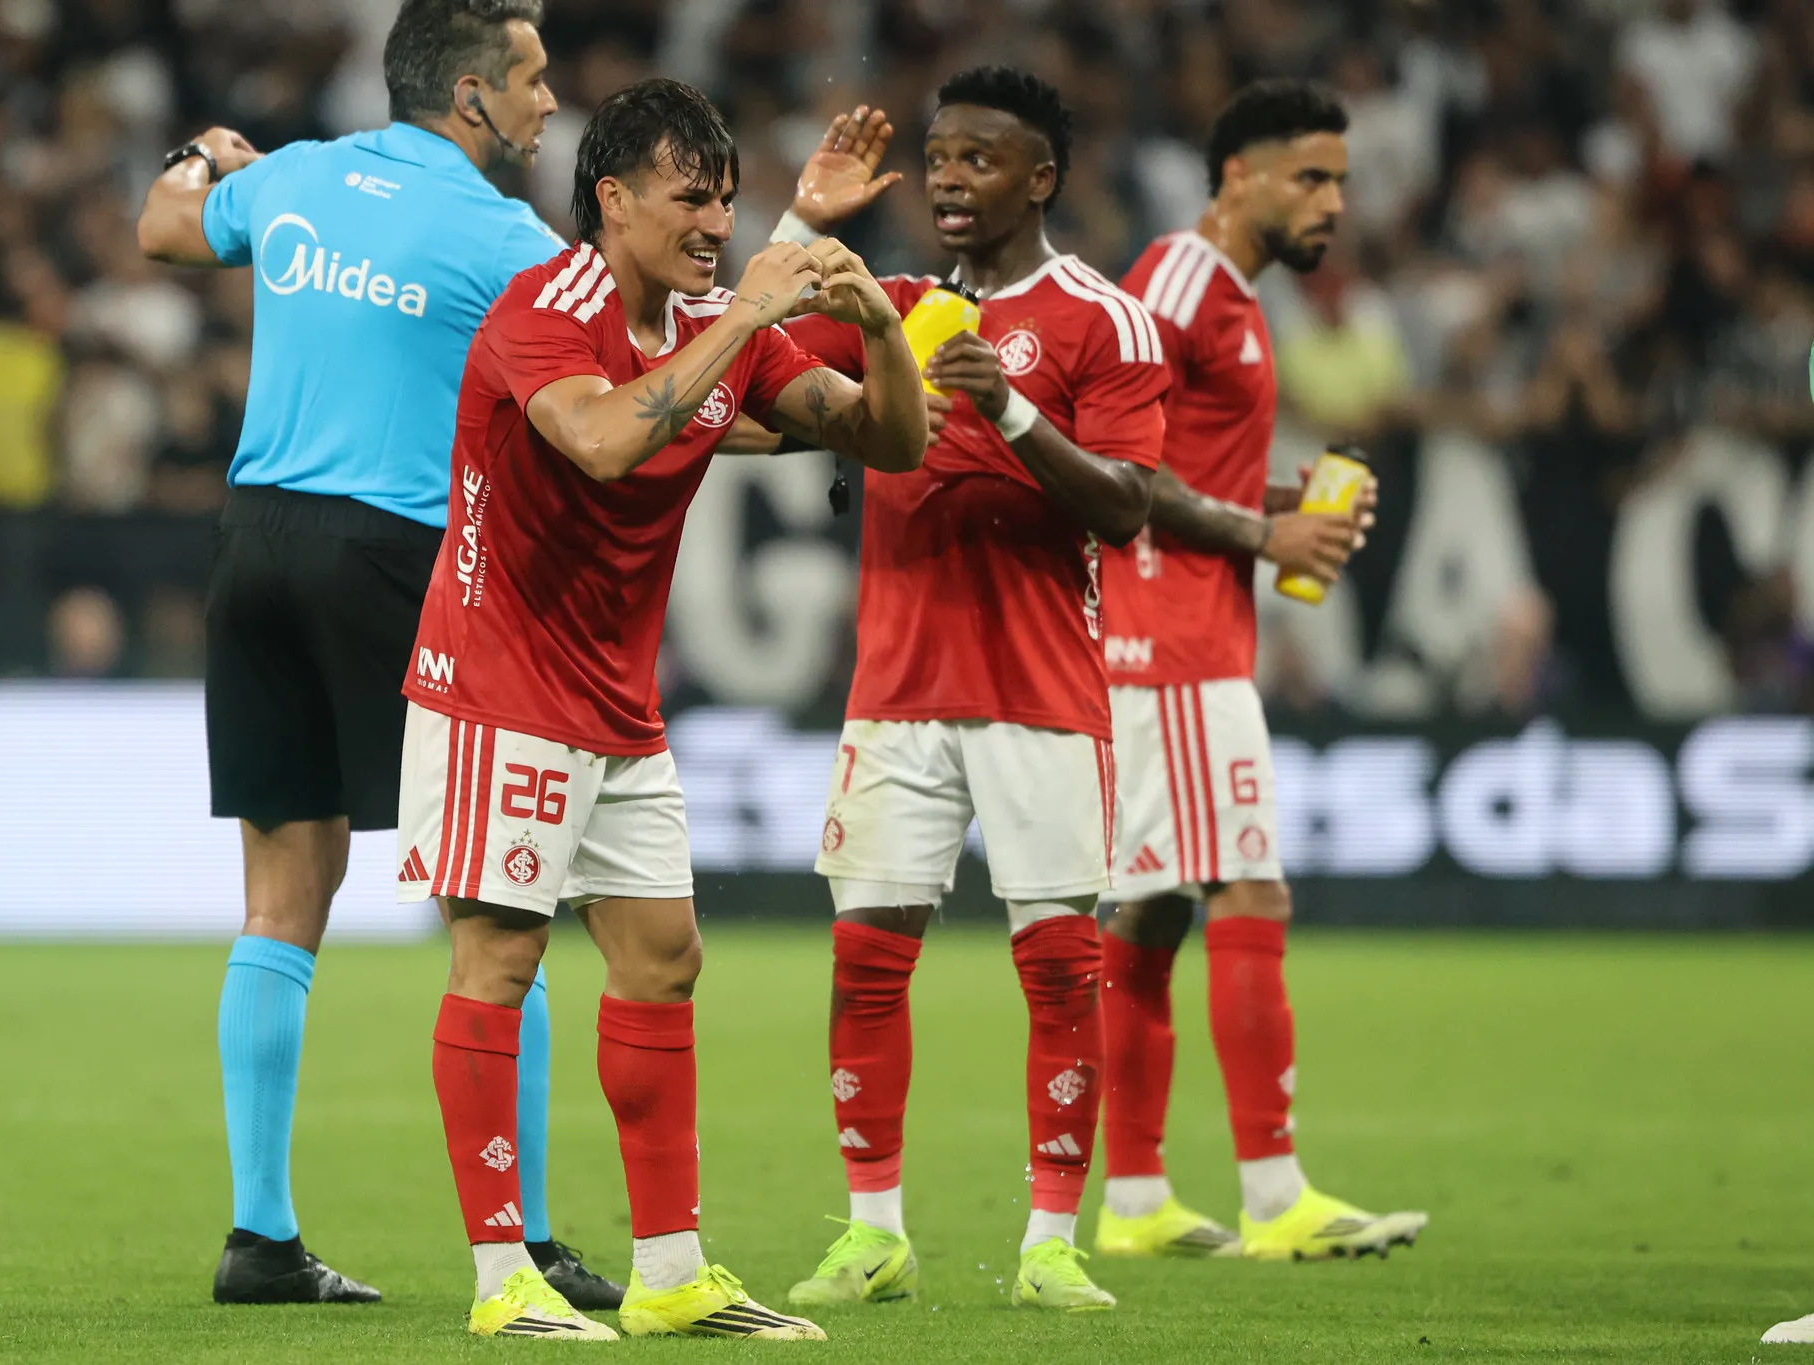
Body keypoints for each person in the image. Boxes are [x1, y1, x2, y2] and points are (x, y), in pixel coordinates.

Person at [398, 76, 926, 1340]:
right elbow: (601, 439)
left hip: (614, 700)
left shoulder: (709, 322)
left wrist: (878, 330)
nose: (717, 222)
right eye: (692, 197)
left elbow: (889, 444)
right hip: (498, 682)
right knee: (498, 962)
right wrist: (747, 312)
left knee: (663, 961)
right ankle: (502, 1280)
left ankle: (672, 1272)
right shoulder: (542, 311)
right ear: (614, 199)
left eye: (728, 200)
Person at [133, 0, 619, 1308]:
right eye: (529, 78)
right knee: (493, 903)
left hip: (254, 544)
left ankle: (260, 1238)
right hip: (396, 560)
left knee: (280, 898)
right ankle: (524, 1239)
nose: (546, 101)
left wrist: (204, 150)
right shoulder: (507, 239)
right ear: (468, 94)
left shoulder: (293, 178)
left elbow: (163, 226)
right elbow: (621, 369)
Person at [767, 69, 1166, 1312]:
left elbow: (1129, 506)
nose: (947, 178)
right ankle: (872, 1232)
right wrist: (802, 220)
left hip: (1039, 690)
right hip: (895, 689)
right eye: (937, 158)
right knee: (864, 960)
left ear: (1039, 179)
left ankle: (1050, 1242)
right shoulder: (885, 306)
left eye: (977, 161)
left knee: (1059, 970)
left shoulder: (1106, 321)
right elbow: (733, 334)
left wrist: (1016, 414)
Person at [1089, 78, 1426, 1261]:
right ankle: (1276, 1197)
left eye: (1341, 180)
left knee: (1150, 912)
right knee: (1247, 892)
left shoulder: (1228, 294)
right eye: (1310, 177)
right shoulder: (1183, 279)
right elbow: (1112, 460)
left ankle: (1136, 1201)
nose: (1333, 201)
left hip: (1173, 633)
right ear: (1238, 177)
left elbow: (1168, 464)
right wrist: (1265, 537)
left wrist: (1279, 503)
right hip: (1170, 641)